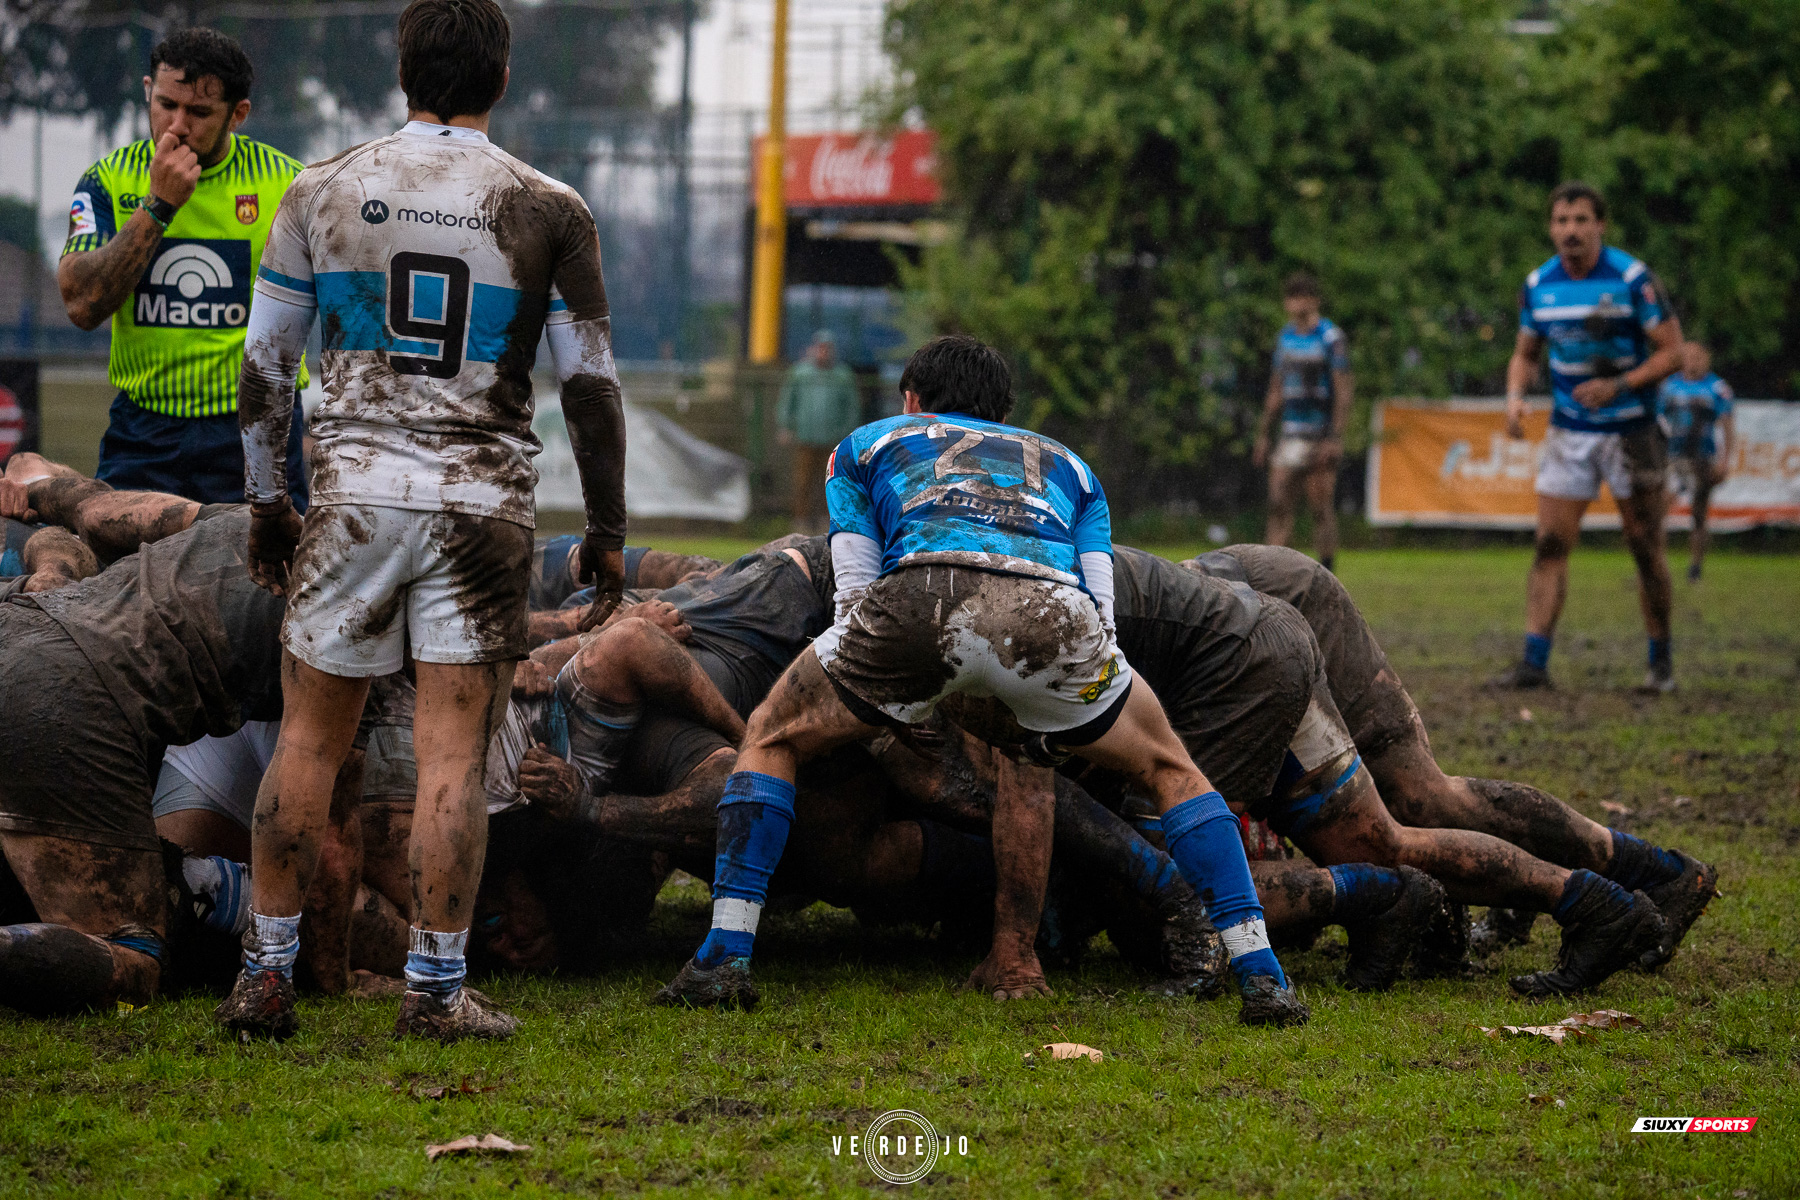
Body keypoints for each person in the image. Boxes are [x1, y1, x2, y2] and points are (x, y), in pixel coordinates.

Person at [656, 334, 1308, 1027]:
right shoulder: (1071, 466)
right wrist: (1070, 692)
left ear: (912, 401)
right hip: (1053, 613)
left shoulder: (867, 444)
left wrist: (876, 686)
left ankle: (724, 959)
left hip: (918, 599)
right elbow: (1099, 602)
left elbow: (854, 586)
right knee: (1170, 767)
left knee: (770, 735)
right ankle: (1262, 976)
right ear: (1005, 411)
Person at [217, 0, 629, 1044]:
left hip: (352, 499)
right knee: (453, 760)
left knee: (308, 742)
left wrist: (271, 501)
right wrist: (608, 530)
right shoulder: (551, 207)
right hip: (480, 509)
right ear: (501, 76)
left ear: (404, 72)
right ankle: (436, 992)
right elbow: (590, 389)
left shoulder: (320, 189)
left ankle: (263, 978)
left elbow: (265, 373)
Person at [56, 28, 309, 508]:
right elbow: (81, 305)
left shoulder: (289, 184)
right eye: (166, 104)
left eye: (198, 112)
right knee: (114, 573)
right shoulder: (108, 179)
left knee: (270, 577)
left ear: (238, 114)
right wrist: (157, 207)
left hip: (254, 426)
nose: (176, 125)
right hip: (143, 431)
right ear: (149, 89)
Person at [1493, 182, 1685, 693]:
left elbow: (1673, 353)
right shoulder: (1538, 284)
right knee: (1550, 543)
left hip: (1632, 432)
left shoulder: (1632, 279)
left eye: (1581, 220)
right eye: (1561, 221)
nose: (1570, 230)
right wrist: (1515, 396)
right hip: (1570, 431)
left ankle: (1659, 661)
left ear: (1601, 225)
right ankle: (1534, 663)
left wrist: (1620, 384)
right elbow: (1526, 353)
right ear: (1551, 228)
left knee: (1644, 546)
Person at [1252, 273, 1352, 572]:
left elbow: (1344, 389)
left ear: (1313, 300)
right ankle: (1271, 574)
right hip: (1290, 433)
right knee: (1278, 501)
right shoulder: (1285, 338)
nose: (1295, 303)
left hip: (1320, 433)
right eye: (1291, 297)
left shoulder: (1331, 338)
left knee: (1320, 507)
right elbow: (1276, 388)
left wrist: (1335, 437)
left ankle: (1328, 571)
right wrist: (1263, 434)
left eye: (1301, 296)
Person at [1657, 342, 1736, 581]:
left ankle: (1695, 567)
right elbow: (1656, 421)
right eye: (1689, 357)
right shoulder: (1669, 386)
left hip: (1702, 457)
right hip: (1673, 456)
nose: (1693, 362)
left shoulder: (1717, 388)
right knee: (1660, 508)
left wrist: (1724, 460)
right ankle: (1656, 565)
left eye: (1698, 357)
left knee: (1699, 513)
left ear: (1707, 359)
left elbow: (1727, 426)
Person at [778, 330, 860, 534]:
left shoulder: (843, 376)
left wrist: (847, 434)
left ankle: (827, 520)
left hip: (833, 440)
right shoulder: (800, 374)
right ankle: (801, 522)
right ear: (814, 349)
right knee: (802, 481)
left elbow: (852, 407)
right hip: (805, 437)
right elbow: (788, 401)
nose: (824, 352)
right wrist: (785, 426)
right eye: (820, 348)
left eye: (828, 348)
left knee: (830, 482)